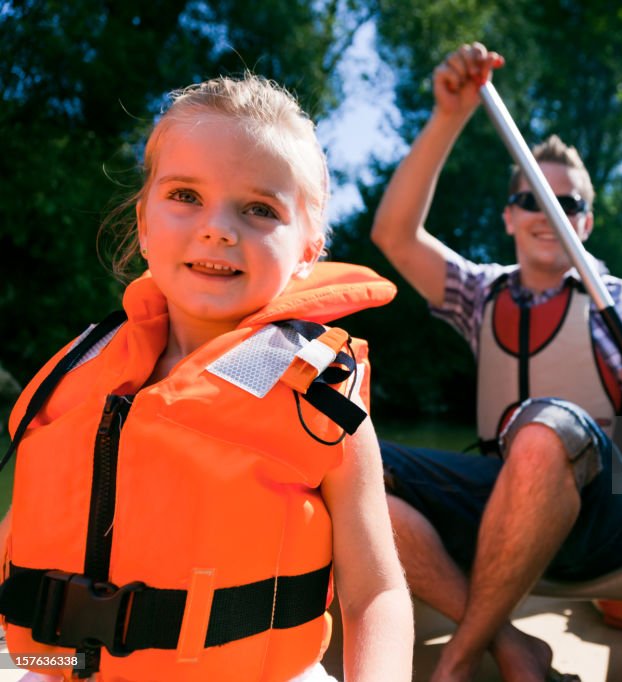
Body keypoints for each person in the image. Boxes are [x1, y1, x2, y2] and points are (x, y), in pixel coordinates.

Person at [0, 74, 413, 681]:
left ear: (308, 250)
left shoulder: (317, 397)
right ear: (143, 224)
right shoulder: (81, 373)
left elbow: (375, 592)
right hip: (54, 660)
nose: (219, 227)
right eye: (186, 196)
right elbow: (24, 532)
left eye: (259, 209)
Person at [371, 43, 622, 682]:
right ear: (509, 217)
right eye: (533, 201)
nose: (551, 214)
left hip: (603, 516)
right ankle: (511, 646)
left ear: (587, 222)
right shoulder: (479, 294)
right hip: (500, 502)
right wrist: (450, 117)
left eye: (568, 204)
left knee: (547, 423)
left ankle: (459, 659)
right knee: (351, 462)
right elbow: (394, 236)